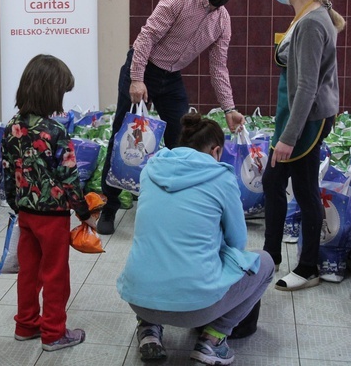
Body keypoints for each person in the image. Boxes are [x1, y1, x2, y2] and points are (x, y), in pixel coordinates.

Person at [98, 0, 245, 234]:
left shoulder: (223, 22)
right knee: (123, 134)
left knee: (183, 139)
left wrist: (229, 108)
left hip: (172, 77)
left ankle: (175, 205)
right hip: (143, 67)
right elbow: (146, 37)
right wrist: (137, 78)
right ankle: (110, 205)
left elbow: (218, 67)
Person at [117, 112, 274, 364]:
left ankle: (148, 330)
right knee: (264, 263)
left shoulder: (150, 169)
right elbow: (238, 243)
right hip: (196, 309)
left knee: (157, 248)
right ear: (216, 151)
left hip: (139, 299)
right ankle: (212, 341)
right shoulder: (222, 177)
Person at [2, 54, 98, 351]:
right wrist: (85, 212)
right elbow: (69, 180)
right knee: (55, 274)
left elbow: (6, 171)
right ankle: (54, 333)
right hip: (53, 217)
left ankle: (25, 325)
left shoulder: (12, 126)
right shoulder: (55, 132)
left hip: (25, 213)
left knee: (29, 272)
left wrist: (17, 204)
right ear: (50, 91)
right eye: (61, 92)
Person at [262, 0, 346, 291]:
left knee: (303, 189)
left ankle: (307, 266)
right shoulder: (310, 13)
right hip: (297, 115)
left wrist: (288, 137)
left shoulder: (312, 22)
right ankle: (271, 256)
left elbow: (307, 87)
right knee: (275, 182)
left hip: (305, 120)